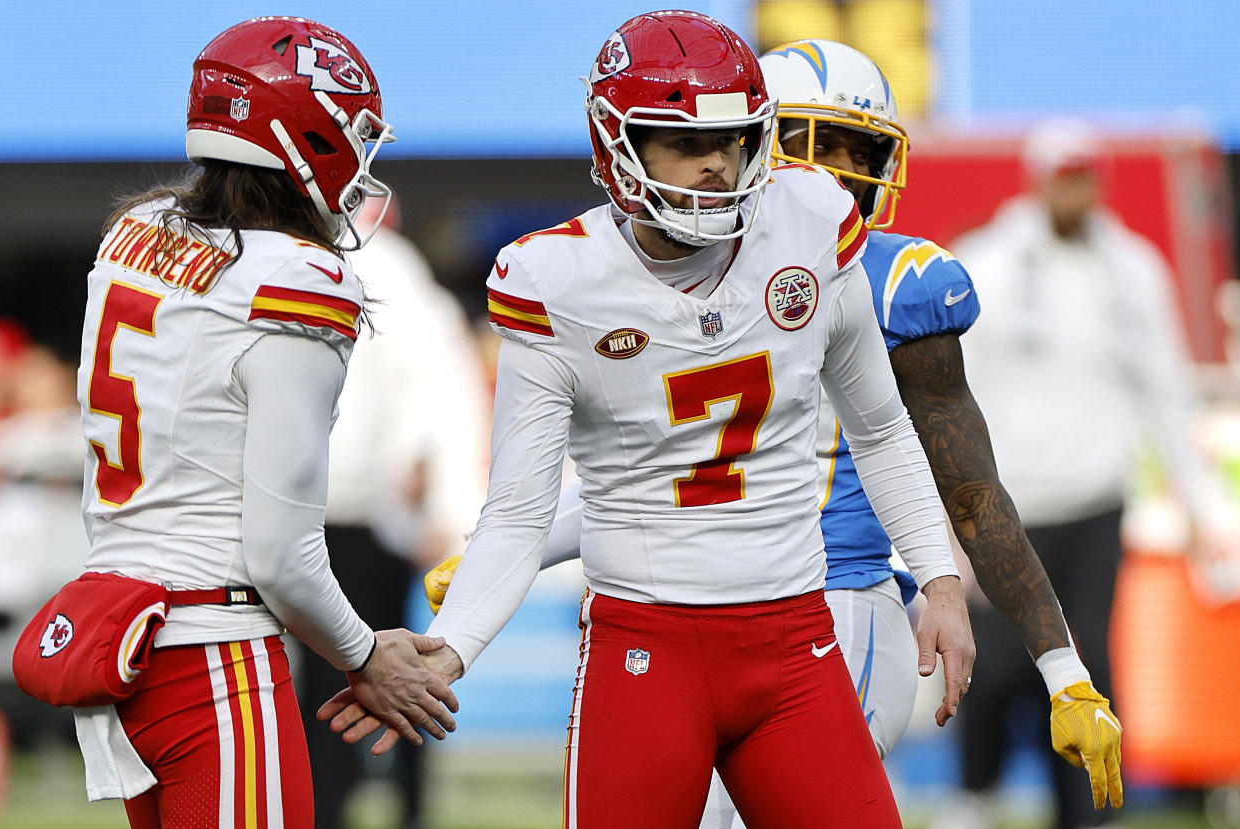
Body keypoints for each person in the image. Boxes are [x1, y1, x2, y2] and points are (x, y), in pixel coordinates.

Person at [424, 38, 1127, 829]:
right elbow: (683, 481)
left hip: (833, 605)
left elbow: (957, 480)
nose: (830, 173)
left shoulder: (875, 270)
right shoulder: (615, 277)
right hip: (672, 623)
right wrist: (513, 552)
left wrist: (1057, 665)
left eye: (855, 149)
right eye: (805, 146)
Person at [325, 11, 973, 828]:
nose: (713, 165)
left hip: (796, 644)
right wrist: (449, 648)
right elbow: (521, 510)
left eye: (734, 140)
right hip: (647, 649)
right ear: (616, 144)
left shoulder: (809, 221)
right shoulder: (557, 279)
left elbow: (878, 427)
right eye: (681, 141)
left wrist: (940, 584)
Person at [67, 18, 457, 827]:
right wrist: (364, 653)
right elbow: (281, 552)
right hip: (214, 655)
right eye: (351, 134)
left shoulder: (134, 235)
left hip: (125, 640)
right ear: (303, 131)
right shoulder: (299, 278)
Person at [947, 117, 1207, 829]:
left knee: (1088, 666)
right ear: (1039, 180)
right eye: (1065, 177)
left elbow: (1167, 388)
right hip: (1008, 504)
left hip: (1094, 500)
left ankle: (1087, 811)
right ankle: (976, 793)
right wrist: (953, 512)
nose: (1077, 191)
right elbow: (947, 393)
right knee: (997, 668)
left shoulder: (1132, 270)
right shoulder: (987, 263)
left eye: (1086, 177)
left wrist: (1201, 505)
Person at [296, 194, 489, 829]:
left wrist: (433, 494)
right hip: (357, 511)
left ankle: (335, 807)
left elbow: (435, 395)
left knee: (352, 672)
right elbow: (444, 393)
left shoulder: (375, 267)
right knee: (379, 666)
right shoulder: (386, 270)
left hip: (348, 511)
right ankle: (389, 805)